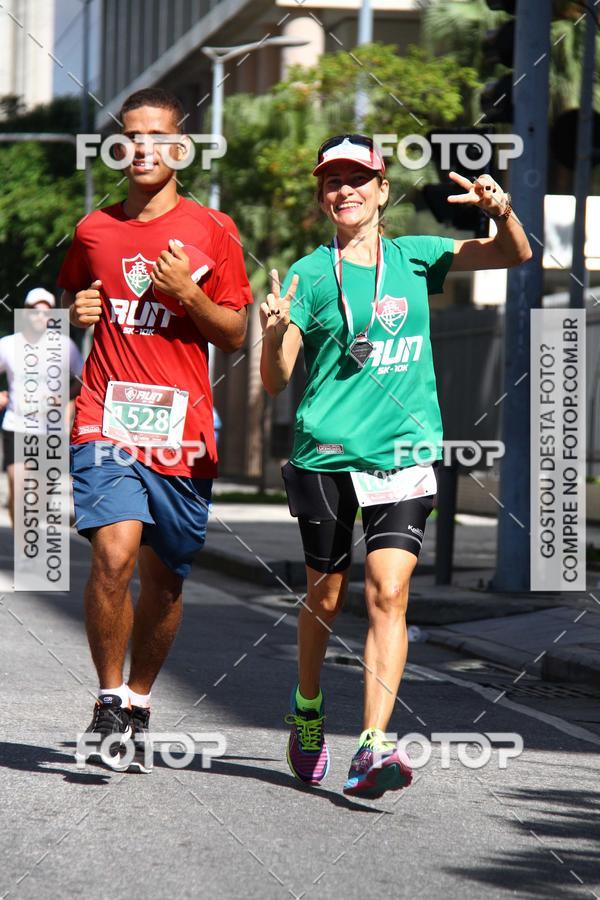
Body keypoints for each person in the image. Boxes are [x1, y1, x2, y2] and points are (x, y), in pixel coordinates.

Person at [260, 134, 531, 799]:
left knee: (389, 593)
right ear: (323, 196)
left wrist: (502, 211)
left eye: (358, 178)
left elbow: (515, 254)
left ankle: (374, 744)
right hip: (326, 452)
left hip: (405, 451)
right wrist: (271, 332)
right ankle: (308, 708)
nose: (344, 190)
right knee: (325, 597)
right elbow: (275, 380)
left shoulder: (415, 257)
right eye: (332, 181)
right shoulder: (307, 273)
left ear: (383, 190)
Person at [58, 88, 252, 771]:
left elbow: (233, 334)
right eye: (129, 136)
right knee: (112, 556)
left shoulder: (213, 231)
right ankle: (109, 697)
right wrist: (76, 311)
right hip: (104, 419)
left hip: (183, 432)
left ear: (179, 149)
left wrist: (190, 295)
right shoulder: (92, 230)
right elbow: (66, 304)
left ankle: (139, 698)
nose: (141, 147)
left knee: (165, 583)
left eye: (156, 136)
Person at [0, 287, 83, 525]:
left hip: (50, 430)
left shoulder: (65, 347)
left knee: (40, 497)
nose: (40, 317)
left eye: (46, 313)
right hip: (16, 425)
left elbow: (84, 378)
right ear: (26, 314)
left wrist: (68, 400)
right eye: (35, 312)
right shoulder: (8, 344)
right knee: (19, 488)